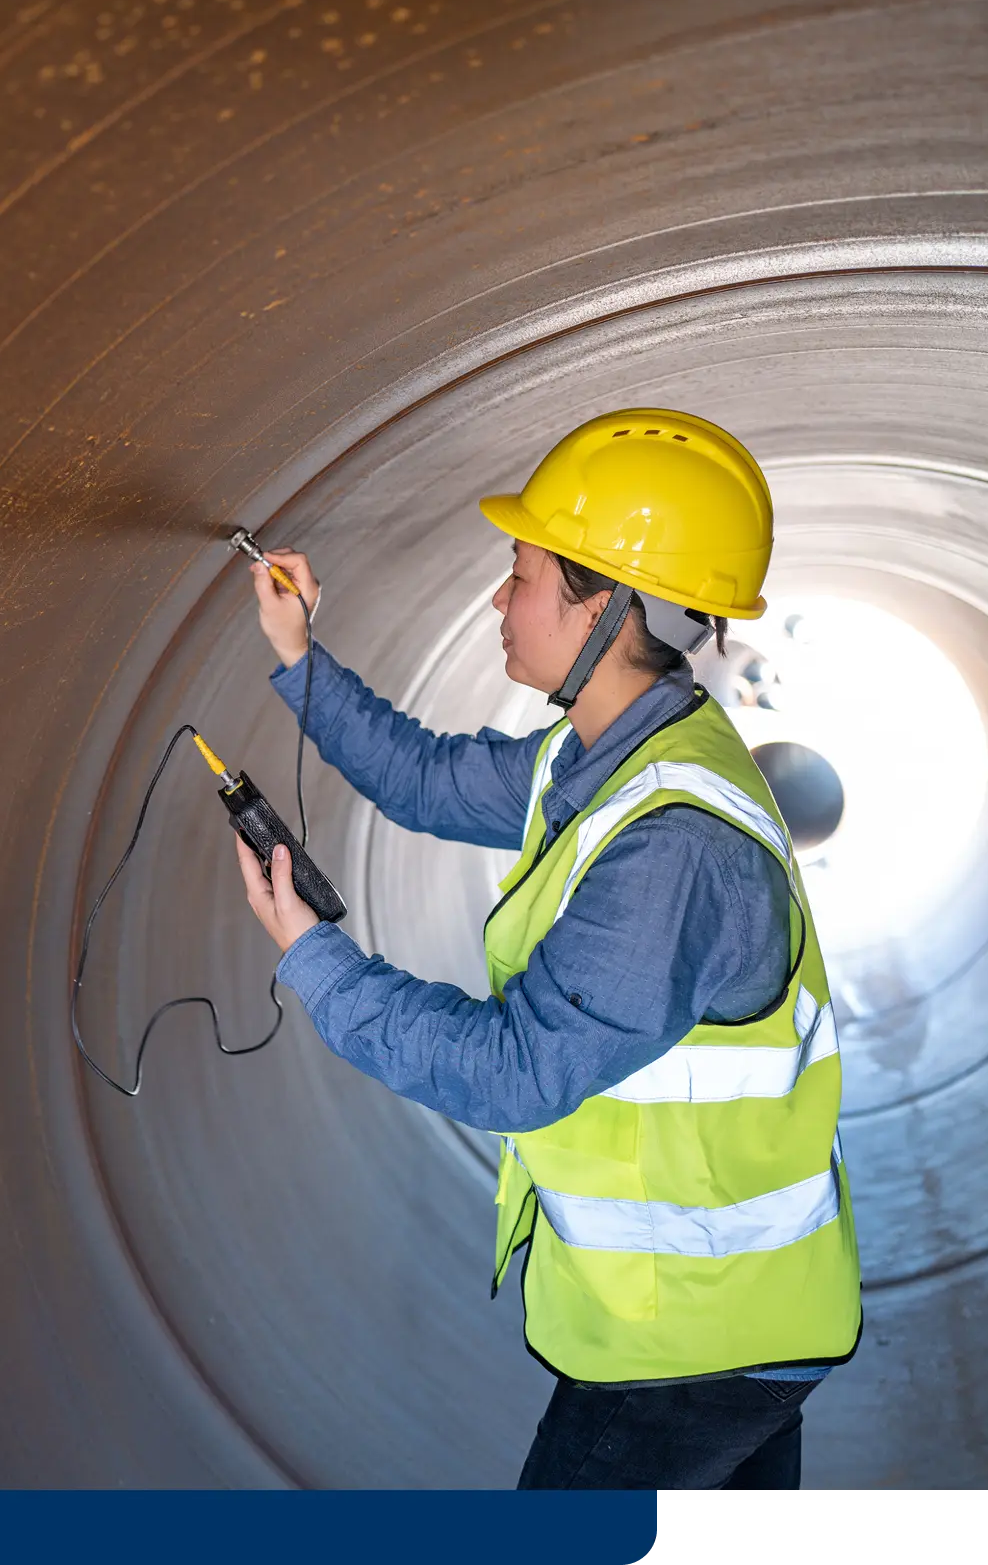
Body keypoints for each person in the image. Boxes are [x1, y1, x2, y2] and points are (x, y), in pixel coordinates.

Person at [231, 408, 862, 1491]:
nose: (497, 599)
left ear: (606, 603)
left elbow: (517, 1070)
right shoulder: (617, 759)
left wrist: (315, 956)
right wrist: (298, 655)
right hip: (727, 1328)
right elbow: (429, 778)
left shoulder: (672, 844)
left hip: (691, 1352)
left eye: (520, 573)